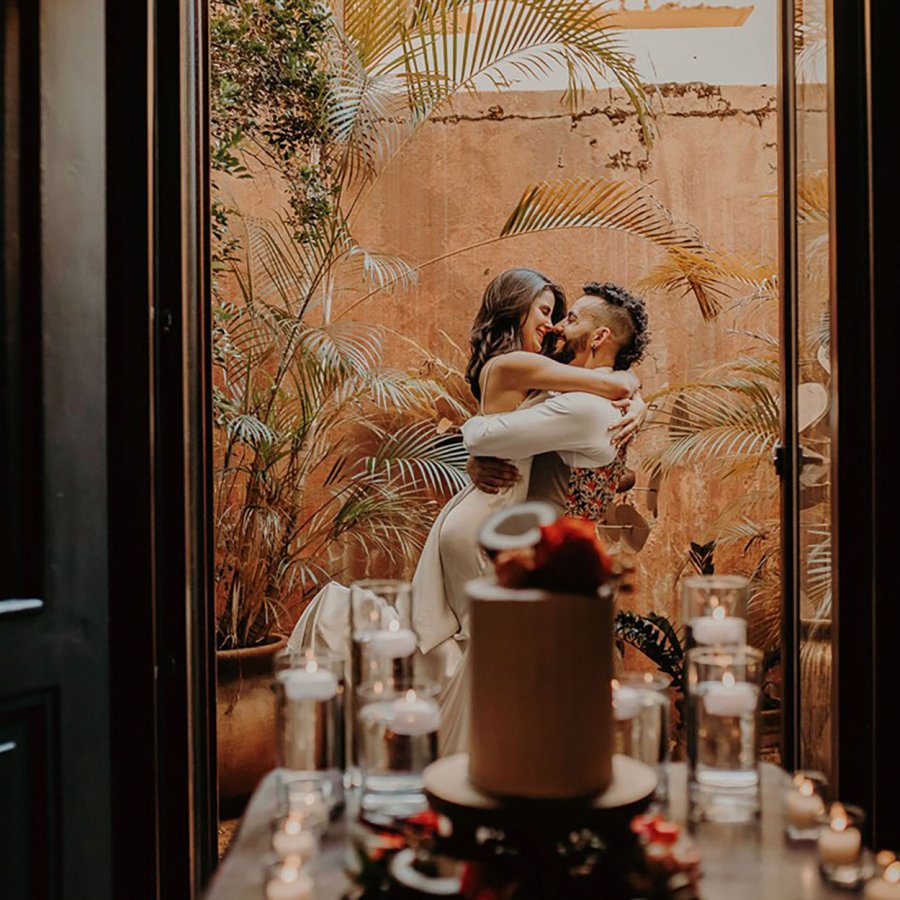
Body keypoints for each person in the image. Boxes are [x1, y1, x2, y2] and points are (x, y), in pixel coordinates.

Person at [461, 282, 651, 524]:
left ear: (600, 337)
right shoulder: (601, 394)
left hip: (546, 549)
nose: (556, 328)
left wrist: (475, 445)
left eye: (571, 320)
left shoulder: (582, 406)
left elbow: (482, 438)